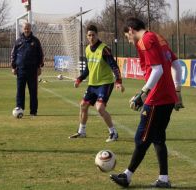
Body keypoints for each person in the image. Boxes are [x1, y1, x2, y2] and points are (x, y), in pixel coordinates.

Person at [110, 17, 183, 188]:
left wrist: (143, 93)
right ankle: (163, 179)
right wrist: (177, 90)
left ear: (131, 30)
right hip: (167, 97)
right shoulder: (158, 37)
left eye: (127, 36)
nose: (128, 40)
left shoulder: (145, 40)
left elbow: (157, 69)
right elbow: (176, 64)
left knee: (141, 138)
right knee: (158, 138)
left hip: (157, 98)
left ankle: (127, 176)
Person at [69, 25, 125, 142]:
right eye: (89, 35)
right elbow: (88, 69)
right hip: (92, 84)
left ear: (97, 35)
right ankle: (81, 131)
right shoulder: (88, 49)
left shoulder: (104, 49)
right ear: (86, 36)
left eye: (93, 35)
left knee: (100, 108)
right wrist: (79, 79)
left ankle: (113, 133)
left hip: (105, 83)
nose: (91, 37)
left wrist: (118, 81)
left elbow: (114, 66)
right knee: (83, 105)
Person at [11, 22, 44, 116]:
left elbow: (40, 54)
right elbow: (13, 55)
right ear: (22, 29)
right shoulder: (18, 41)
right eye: (25, 28)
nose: (26, 30)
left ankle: (33, 111)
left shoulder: (36, 41)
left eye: (28, 28)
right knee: (20, 91)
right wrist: (13, 67)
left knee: (33, 92)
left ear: (30, 29)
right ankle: (19, 109)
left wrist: (39, 66)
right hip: (20, 70)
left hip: (33, 70)